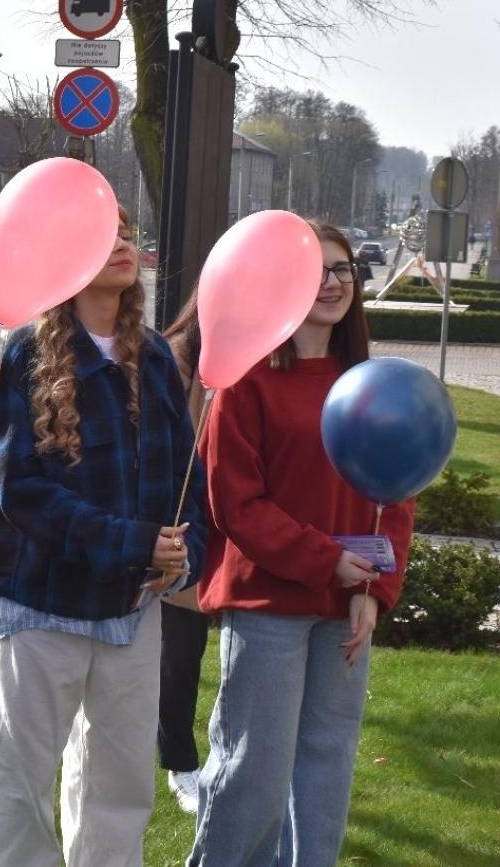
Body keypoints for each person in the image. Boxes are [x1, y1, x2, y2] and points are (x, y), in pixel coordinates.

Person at [0, 207, 207, 867]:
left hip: (133, 609)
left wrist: (184, 555)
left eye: (127, 232)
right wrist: (134, 543)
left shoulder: (153, 357)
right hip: (39, 608)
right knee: (14, 789)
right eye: (105, 233)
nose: (123, 243)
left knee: (118, 792)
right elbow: (23, 492)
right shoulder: (26, 354)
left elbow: (189, 478)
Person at [187, 221, 414, 866]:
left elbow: (397, 494)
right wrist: (325, 561)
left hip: (346, 605)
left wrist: (374, 588)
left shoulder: (369, 381)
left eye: (343, 270)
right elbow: (236, 503)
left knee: (325, 771)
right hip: (268, 604)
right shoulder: (247, 382)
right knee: (253, 771)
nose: (333, 283)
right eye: (316, 271)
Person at [158, 288, 212, 815]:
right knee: (181, 647)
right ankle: (179, 760)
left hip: (239, 507)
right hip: (190, 509)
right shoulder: (179, 354)